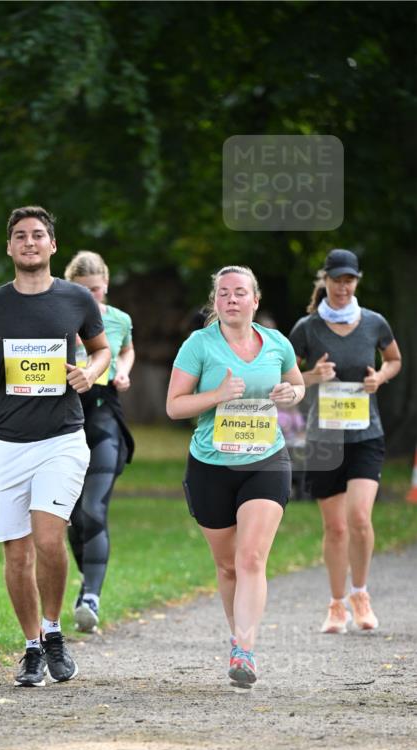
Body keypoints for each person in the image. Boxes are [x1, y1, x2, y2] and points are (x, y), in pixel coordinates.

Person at [0, 207, 111, 687]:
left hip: (61, 439)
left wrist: (89, 373)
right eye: (20, 236)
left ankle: (53, 631)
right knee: (17, 555)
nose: (29, 242)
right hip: (5, 443)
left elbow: (101, 350)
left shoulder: (76, 299)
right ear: (9, 247)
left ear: (53, 245)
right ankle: (31, 647)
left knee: (49, 540)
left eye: (38, 235)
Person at [166, 266, 305, 686]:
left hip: (266, 461)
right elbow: (174, 406)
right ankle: (237, 638)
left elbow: (297, 386)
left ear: (254, 301)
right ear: (215, 301)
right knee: (227, 566)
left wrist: (290, 393)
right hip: (211, 466)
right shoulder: (199, 345)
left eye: (239, 292)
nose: (231, 299)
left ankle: (245, 649)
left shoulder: (277, 343)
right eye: (223, 293)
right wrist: (217, 395)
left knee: (251, 559)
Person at [289, 249, 402, 633]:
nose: (342, 287)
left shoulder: (373, 323)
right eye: (336, 280)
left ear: (356, 281)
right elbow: (285, 377)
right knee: (336, 527)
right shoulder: (306, 328)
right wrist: (313, 376)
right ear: (325, 281)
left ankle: (360, 594)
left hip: (366, 435)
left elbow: (394, 360)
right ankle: (336, 605)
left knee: (359, 518)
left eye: (349, 280)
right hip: (324, 438)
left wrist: (380, 378)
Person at [64, 251, 135, 632]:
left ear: (105, 284)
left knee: (93, 508)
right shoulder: (58, 315)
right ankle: (88, 580)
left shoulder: (119, 319)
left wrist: (123, 371)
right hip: (63, 415)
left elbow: (125, 348)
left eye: (95, 289)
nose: (90, 297)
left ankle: (91, 595)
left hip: (104, 413)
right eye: (82, 290)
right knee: (73, 517)